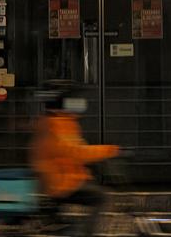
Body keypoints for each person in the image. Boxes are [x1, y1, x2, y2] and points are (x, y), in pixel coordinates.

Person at [30, 81, 119, 236]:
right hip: (61, 183)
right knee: (102, 197)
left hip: (60, 179)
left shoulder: (56, 121)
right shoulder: (56, 124)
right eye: (73, 99)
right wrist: (108, 150)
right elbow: (74, 151)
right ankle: (84, 232)